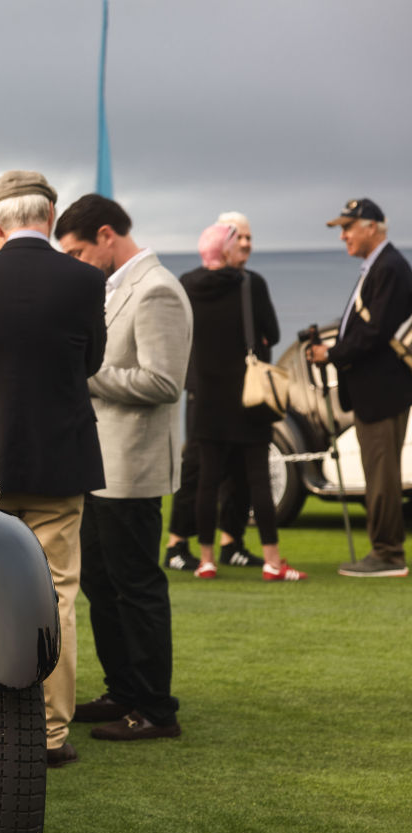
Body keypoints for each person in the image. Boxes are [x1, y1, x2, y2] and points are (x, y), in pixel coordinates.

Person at [0, 170, 106, 768]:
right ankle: (52, 733)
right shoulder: (86, 280)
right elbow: (93, 360)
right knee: (58, 593)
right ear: (52, 217)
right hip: (59, 457)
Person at [54, 194, 193, 745]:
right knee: (101, 584)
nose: (76, 262)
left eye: (80, 251)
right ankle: (124, 690)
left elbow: (164, 383)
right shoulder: (114, 286)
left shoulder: (158, 290)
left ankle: (157, 708)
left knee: (136, 587)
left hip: (133, 467)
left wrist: (85, 372)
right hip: (100, 463)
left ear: (107, 235)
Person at [178, 222, 304, 583]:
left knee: (207, 480)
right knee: (258, 479)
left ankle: (205, 560)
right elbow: (273, 333)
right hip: (248, 398)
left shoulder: (186, 284)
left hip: (205, 397)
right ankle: (272, 560)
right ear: (226, 250)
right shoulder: (251, 284)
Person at [306, 198, 412, 577]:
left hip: (384, 391)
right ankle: (384, 550)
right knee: (377, 474)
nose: (344, 236)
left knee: (381, 477)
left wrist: (330, 353)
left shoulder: (390, 267)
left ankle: (387, 554)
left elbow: (375, 332)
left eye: (348, 228)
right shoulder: (381, 266)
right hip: (379, 391)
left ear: (372, 227)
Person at [164, 211, 259, 570]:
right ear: (223, 244)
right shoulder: (235, 285)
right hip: (207, 389)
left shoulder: (237, 283)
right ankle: (179, 543)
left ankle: (229, 541)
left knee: (234, 467)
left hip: (211, 388)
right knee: (198, 467)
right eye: (240, 239)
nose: (246, 245)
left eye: (250, 238)